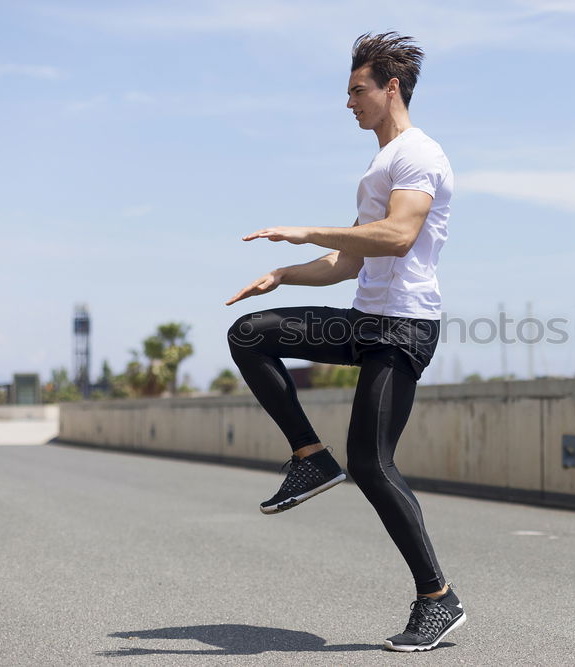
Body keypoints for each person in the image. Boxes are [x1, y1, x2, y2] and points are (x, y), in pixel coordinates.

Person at [224, 32, 464, 652]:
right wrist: (283, 274)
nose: (349, 102)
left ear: (391, 88)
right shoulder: (381, 164)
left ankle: (438, 600)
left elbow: (398, 237)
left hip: (403, 328)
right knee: (250, 333)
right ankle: (309, 458)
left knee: (374, 464)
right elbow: (348, 262)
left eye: (357, 90)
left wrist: (305, 231)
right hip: (365, 320)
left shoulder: (419, 154)